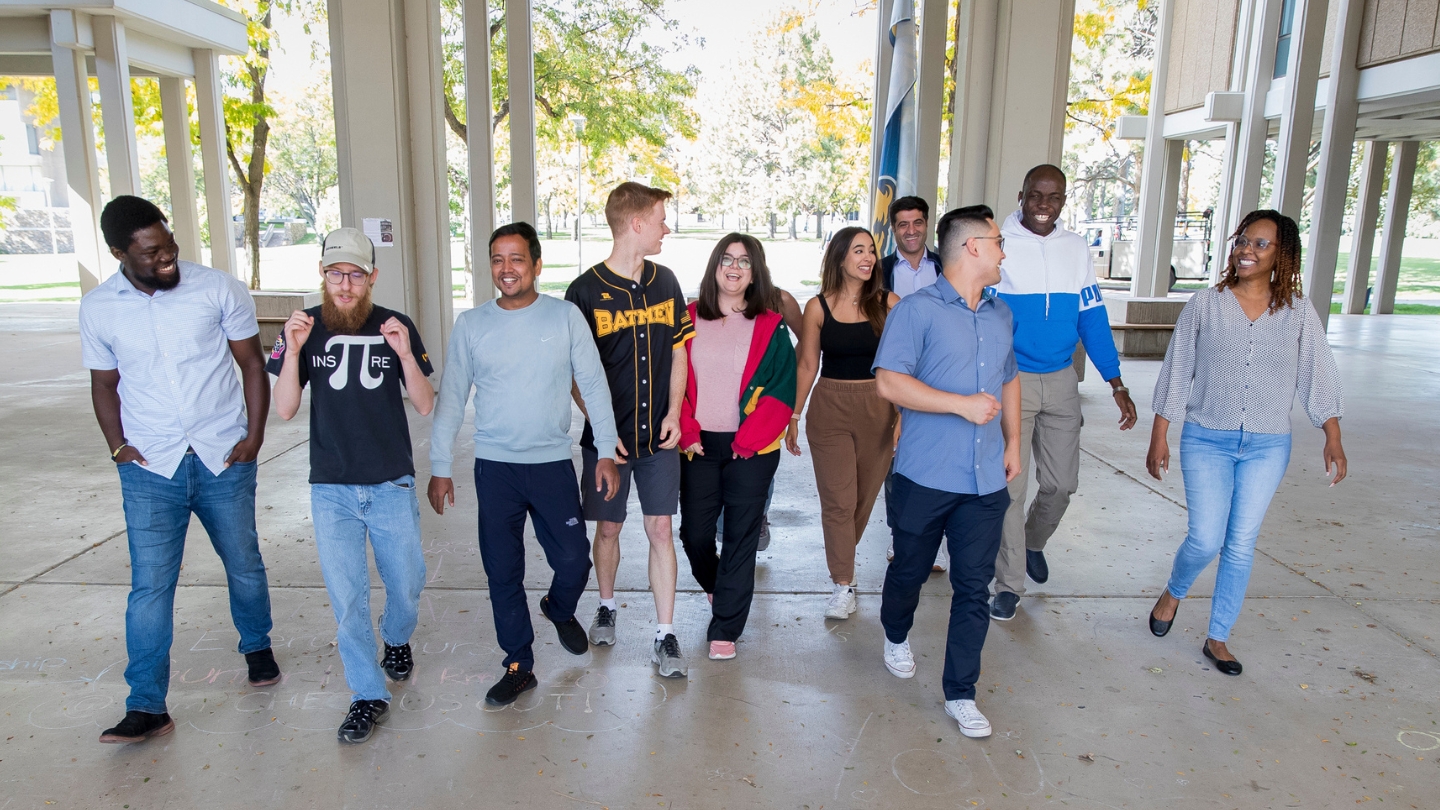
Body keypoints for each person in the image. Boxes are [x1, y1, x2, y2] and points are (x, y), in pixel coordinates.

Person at [80, 195, 278, 744]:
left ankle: (256, 645)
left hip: (222, 454)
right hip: (150, 466)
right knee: (149, 587)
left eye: (168, 245)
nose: (167, 258)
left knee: (243, 561)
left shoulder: (217, 288)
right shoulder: (99, 308)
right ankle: (146, 704)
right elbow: (103, 385)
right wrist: (118, 447)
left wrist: (254, 437)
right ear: (120, 253)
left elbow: (252, 364)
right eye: (152, 253)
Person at [1145, 209, 1346, 676]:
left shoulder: (1297, 311)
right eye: (1242, 241)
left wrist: (1331, 436)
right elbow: (1177, 373)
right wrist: (1160, 436)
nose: (1246, 251)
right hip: (1207, 438)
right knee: (1205, 538)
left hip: (1267, 444)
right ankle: (1175, 590)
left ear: (1282, 255)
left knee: (1240, 544)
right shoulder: (1205, 305)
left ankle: (1218, 637)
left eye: (1260, 244)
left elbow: (1318, 375)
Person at [427, 222, 620, 706]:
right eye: (497, 259)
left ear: (536, 265)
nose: (506, 269)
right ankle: (519, 664)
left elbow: (593, 386)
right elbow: (451, 398)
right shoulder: (472, 325)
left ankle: (558, 606)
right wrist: (440, 464)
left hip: (552, 463)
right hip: (496, 468)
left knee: (574, 559)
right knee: (502, 570)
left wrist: (610, 453)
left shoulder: (565, 317)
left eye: (516, 259)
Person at [268, 228, 434, 743]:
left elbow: (426, 404)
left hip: (390, 482)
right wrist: (293, 352)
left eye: (354, 275)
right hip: (332, 488)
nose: (344, 284)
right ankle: (366, 694)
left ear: (371, 278)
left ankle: (397, 637)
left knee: (406, 582)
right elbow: (286, 408)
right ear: (322, 275)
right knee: (347, 598)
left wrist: (406, 355)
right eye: (334, 274)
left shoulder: (395, 325)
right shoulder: (302, 328)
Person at [874, 204, 1020, 739]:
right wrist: (960, 405)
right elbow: (889, 383)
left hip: (984, 481)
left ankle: (961, 691)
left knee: (973, 587)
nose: (1005, 251)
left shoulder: (1002, 315)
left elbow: (1009, 379)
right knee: (909, 569)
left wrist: (1013, 442)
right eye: (999, 241)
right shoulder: (916, 312)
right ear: (973, 247)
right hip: (925, 473)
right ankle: (894, 632)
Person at [988, 164, 1138, 621]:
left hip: (1061, 380)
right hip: (1010, 379)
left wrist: (1115, 382)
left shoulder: (1076, 249)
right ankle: (1009, 584)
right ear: (1021, 194)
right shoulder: (1000, 244)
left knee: (1060, 484)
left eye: (1053, 198)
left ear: (1064, 201)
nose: (1043, 206)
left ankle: (1033, 541)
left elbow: (1091, 319)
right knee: (1011, 488)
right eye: (1035, 195)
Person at [564, 182, 695, 678]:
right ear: (636, 224)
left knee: (661, 528)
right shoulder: (584, 291)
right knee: (610, 527)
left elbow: (680, 350)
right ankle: (607, 605)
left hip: (659, 439)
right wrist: (600, 429)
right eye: (661, 219)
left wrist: (674, 413)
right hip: (608, 445)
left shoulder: (666, 282)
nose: (667, 228)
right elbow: (574, 373)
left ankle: (665, 635)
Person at [678, 234, 797, 661]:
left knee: (741, 537)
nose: (734, 267)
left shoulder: (770, 324)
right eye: (726, 259)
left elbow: (783, 389)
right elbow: (676, 386)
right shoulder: (689, 318)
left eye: (744, 262)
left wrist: (749, 440)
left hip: (753, 447)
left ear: (755, 272)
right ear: (714, 267)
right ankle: (717, 588)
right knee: (694, 534)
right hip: (697, 445)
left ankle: (725, 626)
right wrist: (687, 430)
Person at [786, 226, 899, 620]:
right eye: (858, 251)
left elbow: (906, 365)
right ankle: (842, 582)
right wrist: (794, 414)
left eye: (871, 251)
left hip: (879, 407)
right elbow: (806, 364)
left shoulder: (890, 303)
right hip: (830, 407)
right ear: (840, 258)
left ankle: (843, 571)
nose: (868, 257)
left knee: (862, 500)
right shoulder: (817, 307)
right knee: (838, 501)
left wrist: (903, 414)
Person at [879, 196, 949, 572]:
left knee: (936, 455)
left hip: (939, 372)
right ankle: (899, 533)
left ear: (927, 225)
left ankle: (933, 541)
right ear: (894, 229)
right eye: (903, 224)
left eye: (917, 223)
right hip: (897, 371)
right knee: (897, 456)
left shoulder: (947, 266)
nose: (911, 230)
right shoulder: (880, 271)